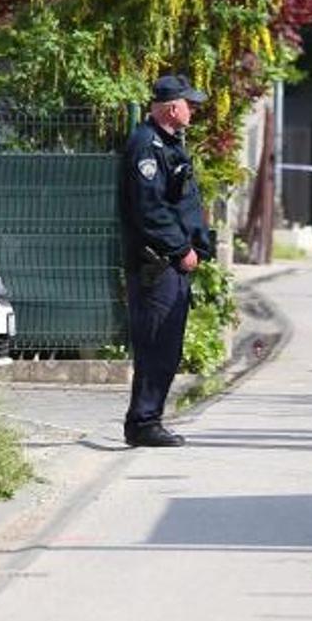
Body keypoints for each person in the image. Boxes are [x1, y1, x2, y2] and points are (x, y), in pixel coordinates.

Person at [118, 73, 214, 448]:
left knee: (167, 345)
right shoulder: (147, 146)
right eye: (190, 105)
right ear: (172, 108)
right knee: (156, 344)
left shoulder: (167, 143)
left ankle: (149, 418)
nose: (194, 111)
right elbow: (151, 210)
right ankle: (143, 422)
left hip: (168, 263)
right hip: (156, 264)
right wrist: (181, 249)